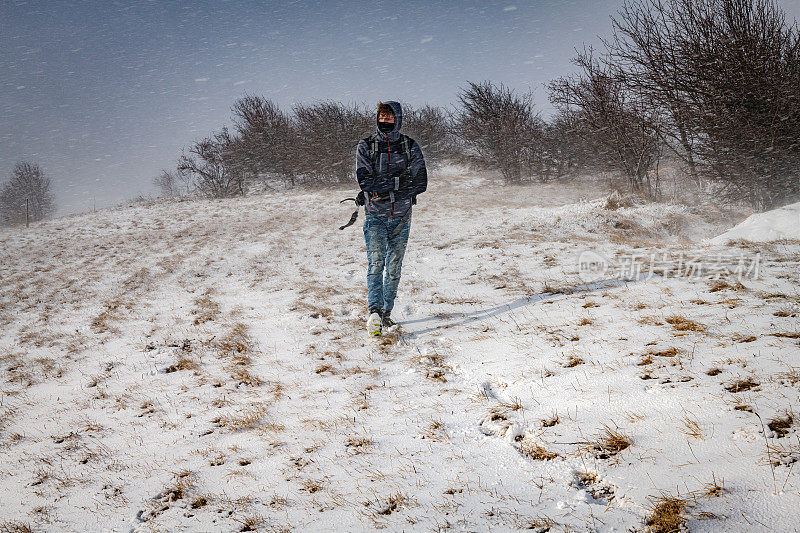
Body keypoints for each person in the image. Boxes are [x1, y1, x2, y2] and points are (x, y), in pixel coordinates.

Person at [355, 101, 427, 336]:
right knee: (376, 264)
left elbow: (421, 183)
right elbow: (365, 181)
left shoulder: (409, 146)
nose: (384, 120)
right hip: (375, 215)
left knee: (394, 267)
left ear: (398, 118)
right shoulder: (366, 146)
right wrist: (399, 182)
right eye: (381, 116)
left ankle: (386, 313)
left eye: (389, 117)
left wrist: (386, 186)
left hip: (402, 216)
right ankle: (374, 312)